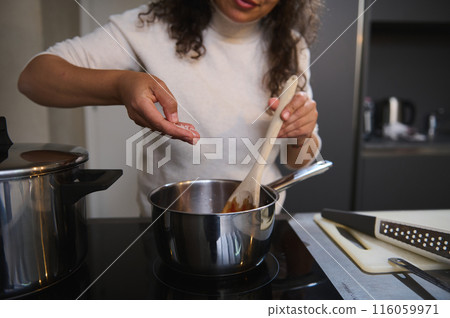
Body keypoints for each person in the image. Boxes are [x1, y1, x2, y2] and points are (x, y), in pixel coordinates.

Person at [18, 0, 323, 216]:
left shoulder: (291, 47)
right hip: (169, 224)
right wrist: (121, 84)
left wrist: (301, 133)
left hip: (259, 220)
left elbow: (300, 162)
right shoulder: (148, 27)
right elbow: (34, 79)